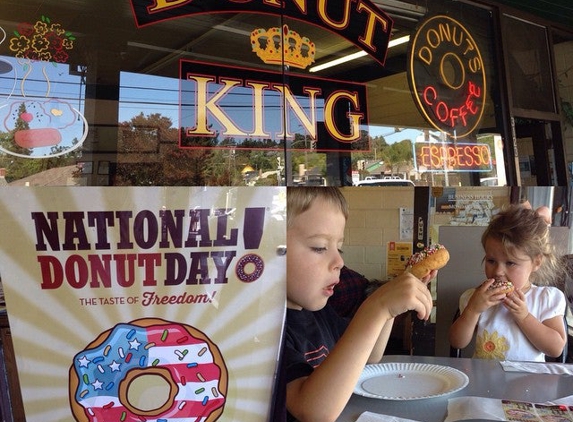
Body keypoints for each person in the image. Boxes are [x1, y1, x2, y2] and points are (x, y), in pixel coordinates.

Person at [282, 186, 435, 422]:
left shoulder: (320, 314)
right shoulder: (265, 333)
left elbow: (369, 355)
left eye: (338, 247)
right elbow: (312, 411)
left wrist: (390, 308)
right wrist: (377, 307)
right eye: (320, 247)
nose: (339, 261)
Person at [448, 204, 567, 361]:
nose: (498, 271)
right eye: (491, 260)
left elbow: (555, 348)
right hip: (484, 380)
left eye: (510, 263)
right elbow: (457, 342)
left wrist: (524, 317)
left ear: (536, 262)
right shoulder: (475, 298)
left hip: (528, 381)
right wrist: (473, 310)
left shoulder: (545, 298)